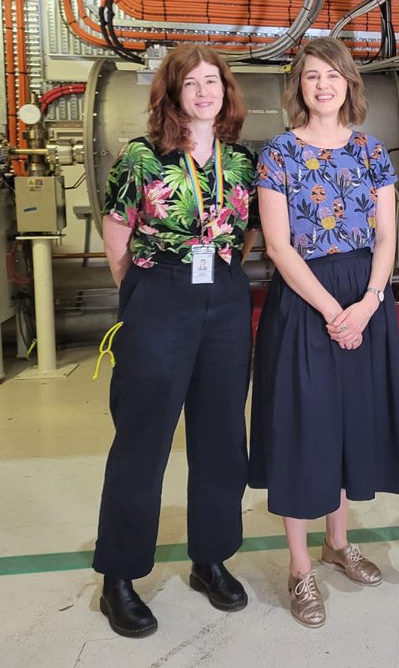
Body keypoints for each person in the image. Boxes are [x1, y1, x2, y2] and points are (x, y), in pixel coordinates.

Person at [249, 36, 399, 629]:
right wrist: (330, 310)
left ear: (349, 84)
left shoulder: (371, 151)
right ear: (299, 86)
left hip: (364, 296)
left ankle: (338, 543)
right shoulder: (278, 154)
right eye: (312, 76)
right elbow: (277, 245)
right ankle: (299, 568)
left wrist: (368, 303)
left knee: (348, 425)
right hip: (303, 300)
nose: (323, 85)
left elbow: (388, 237)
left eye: (333, 75)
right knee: (302, 429)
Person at [94, 43, 257, 637]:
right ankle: (118, 575)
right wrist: (138, 290)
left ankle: (209, 558)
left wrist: (217, 279)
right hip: (160, 295)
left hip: (225, 299)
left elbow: (244, 233)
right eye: (192, 83)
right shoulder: (143, 156)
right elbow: (116, 225)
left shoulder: (241, 160)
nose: (204, 92)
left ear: (226, 93)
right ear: (173, 94)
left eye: (213, 82)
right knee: (144, 438)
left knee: (219, 437)